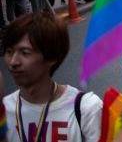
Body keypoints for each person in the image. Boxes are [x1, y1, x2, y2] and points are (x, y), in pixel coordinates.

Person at [3, 12, 103, 141]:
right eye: (9, 52)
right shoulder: (3, 111)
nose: (13, 62)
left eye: (25, 53)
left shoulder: (86, 108)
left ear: (52, 57)